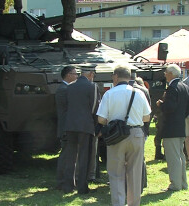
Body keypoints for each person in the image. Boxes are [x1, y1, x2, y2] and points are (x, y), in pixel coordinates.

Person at [97, 65, 151, 206]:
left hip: (116, 135)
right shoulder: (139, 93)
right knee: (135, 172)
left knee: (116, 173)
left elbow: (101, 119)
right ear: (129, 77)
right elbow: (146, 117)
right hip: (136, 133)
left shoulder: (109, 94)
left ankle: (119, 203)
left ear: (115, 76)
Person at [61, 65, 99, 194]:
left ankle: (68, 185)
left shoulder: (70, 87)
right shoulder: (92, 87)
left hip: (70, 125)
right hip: (85, 126)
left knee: (70, 156)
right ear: (91, 74)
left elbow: (67, 106)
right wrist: (95, 125)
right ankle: (82, 186)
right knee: (84, 157)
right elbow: (94, 108)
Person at [156, 64, 189, 191]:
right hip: (180, 126)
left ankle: (175, 184)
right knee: (180, 156)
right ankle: (182, 183)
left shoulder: (172, 88)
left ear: (171, 74)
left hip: (170, 127)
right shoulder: (185, 87)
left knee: (173, 157)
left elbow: (169, 107)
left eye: (166, 72)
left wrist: (161, 104)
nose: (165, 74)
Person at [55, 66, 78, 190]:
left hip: (67, 127)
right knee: (66, 157)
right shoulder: (64, 89)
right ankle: (62, 181)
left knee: (68, 156)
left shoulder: (65, 89)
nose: (76, 76)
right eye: (75, 74)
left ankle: (66, 181)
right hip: (66, 128)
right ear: (68, 75)